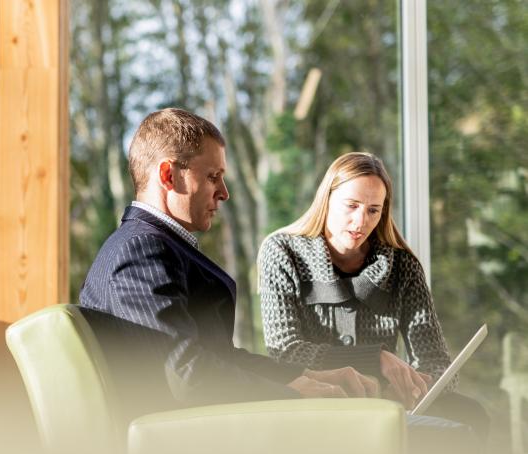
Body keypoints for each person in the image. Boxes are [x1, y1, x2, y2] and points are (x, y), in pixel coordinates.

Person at [79, 108, 379, 412]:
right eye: (213, 177)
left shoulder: (153, 246)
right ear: (168, 175)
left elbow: (218, 358)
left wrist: (305, 376)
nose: (224, 193)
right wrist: (292, 395)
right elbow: (187, 376)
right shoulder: (141, 249)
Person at [258, 151, 489, 439]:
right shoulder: (282, 252)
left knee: (471, 414)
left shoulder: (402, 266)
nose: (360, 221)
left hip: (386, 405)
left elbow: (438, 363)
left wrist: (411, 389)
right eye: (351, 206)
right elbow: (285, 352)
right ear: (326, 199)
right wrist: (375, 358)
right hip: (317, 404)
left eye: (372, 210)